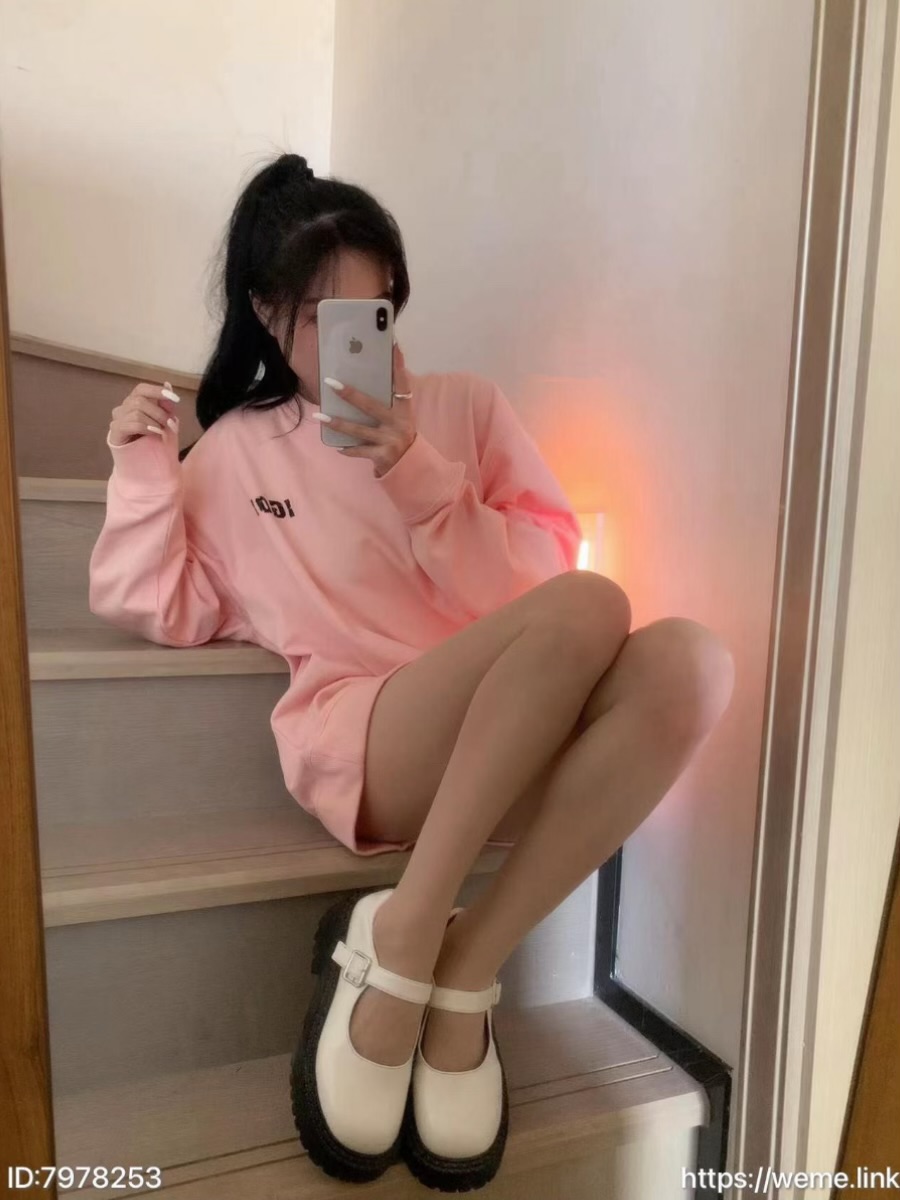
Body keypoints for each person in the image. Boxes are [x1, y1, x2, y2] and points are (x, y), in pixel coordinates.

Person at [88, 152, 735, 1191]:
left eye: (378, 310)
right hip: (373, 740)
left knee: (693, 661)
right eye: (327, 316)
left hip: (517, 729)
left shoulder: (464, 410)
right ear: (266, 314)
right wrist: (142, 467)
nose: (365, 339)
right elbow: (152, 603)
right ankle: (406, 929)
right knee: (591, 604)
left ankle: (463, 963)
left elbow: (537, 583)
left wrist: (417, 474)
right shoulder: (240, 455)